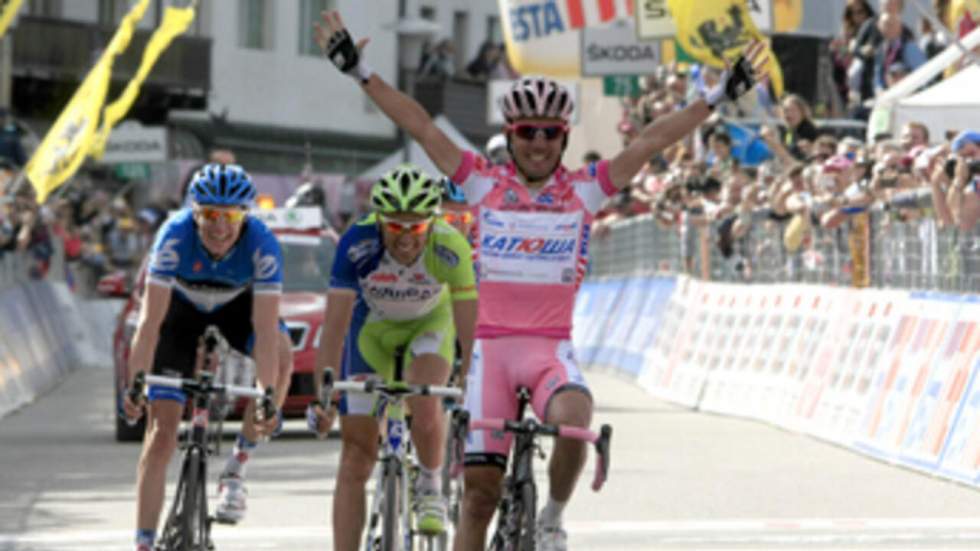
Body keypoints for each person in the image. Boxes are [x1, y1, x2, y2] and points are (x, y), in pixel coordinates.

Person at [314, 10, 764, 550]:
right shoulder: (482, 182)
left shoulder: (585, 189)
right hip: (489, 353)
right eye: (528, 132)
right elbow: (422, 125)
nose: (539, 143)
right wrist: (360, 71)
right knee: (480, 496)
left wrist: (713, 99)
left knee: (576, 419)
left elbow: (649, 142)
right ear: (511, 134)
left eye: (551, 133)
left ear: (564, 136)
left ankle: (551, 516)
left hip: (550, 348)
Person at [307, 164, 478, 551]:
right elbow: (333, 328)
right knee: (355, 456)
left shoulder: (451, 247)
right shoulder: (356, 243)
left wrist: (470, 381)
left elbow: (469, 332)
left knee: (424, 393)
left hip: (430, 327)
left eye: (416, 228)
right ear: (378, 221)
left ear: (431, 224)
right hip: (373, 335)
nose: (405, 240)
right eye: (395, 228)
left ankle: (431, 484)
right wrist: (324, 395)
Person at [121, 163, 283, 551]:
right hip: (180, 313)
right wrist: (136, 386)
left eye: (230, 216)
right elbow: (149, 324)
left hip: (234, 307)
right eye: (210, 214)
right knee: (161, 434)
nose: (220, 227)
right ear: (195, 213)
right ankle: (144, 542)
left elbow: (263, 331)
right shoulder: (174, 236)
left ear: (246, 215)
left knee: (283, 352)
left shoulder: (263, 244)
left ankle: (237, 469)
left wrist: (266, 394)